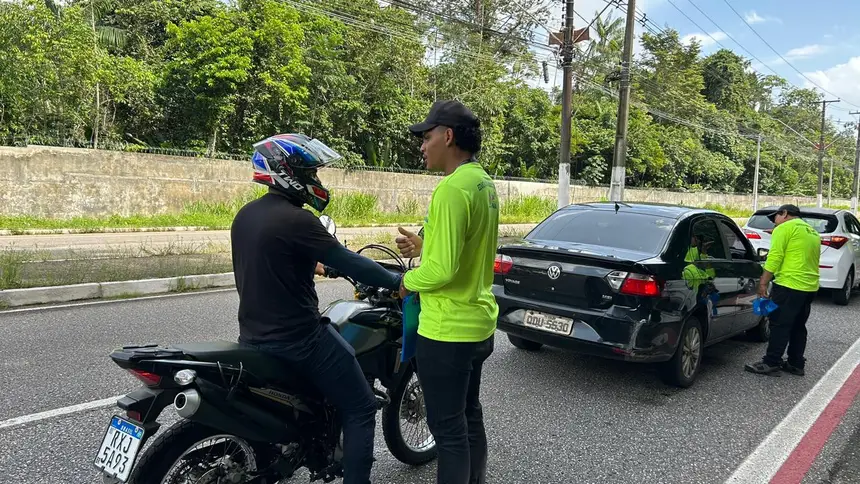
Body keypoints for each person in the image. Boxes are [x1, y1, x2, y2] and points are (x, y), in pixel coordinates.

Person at [230, 133, 403, 484]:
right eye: (310, 173)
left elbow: (273, 262)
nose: (316, 180)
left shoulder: (246, 216)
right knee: (361, 406)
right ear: (288, 173)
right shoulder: (298, 220)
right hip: (299, 341)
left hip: (251, 337)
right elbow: (350, 261)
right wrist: (397, 281)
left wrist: (314, 265)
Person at [397, 100, 500, 484]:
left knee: (447, 430)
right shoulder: (482, 183)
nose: (422, 146)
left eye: (427, 137)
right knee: (469, 414)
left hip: (447, 330)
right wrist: (424, 246)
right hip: (478, 322)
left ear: (449, 136)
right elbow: (465, 249)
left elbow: (442, 271)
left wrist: (406, 282)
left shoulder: (451, 189)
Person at [745, 204, 820, 376]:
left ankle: (771, 362)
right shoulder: (812, 232)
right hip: (810, 287)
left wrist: (763, 283)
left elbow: (775, 256)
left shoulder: (784, 228)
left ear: (784, 213)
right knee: (798, 325)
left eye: (775, 218)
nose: (775, 223)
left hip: (789, 285)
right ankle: (796, 363)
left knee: (779, 324)